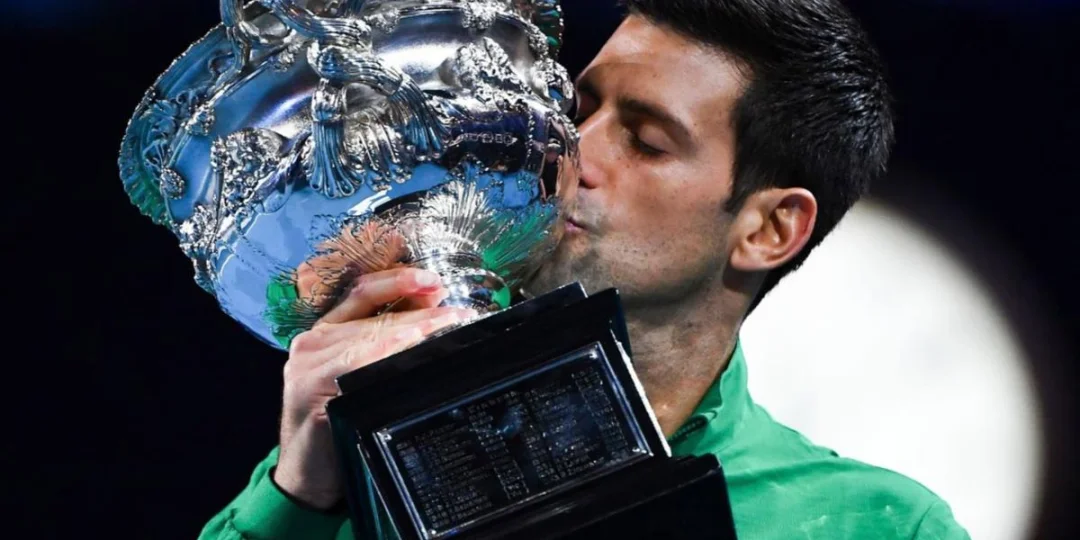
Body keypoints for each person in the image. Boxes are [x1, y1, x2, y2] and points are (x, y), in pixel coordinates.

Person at [200, 0, 971, 538]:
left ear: (769, 229)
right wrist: (297, 497)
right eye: (578, 109)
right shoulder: (342, 470)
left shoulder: (874, 524)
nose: (573, 154)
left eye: (647, 141)